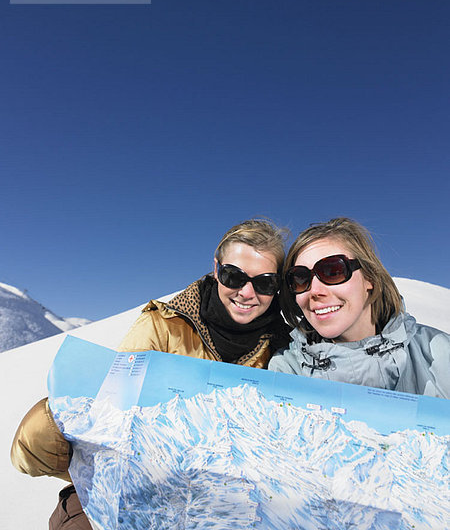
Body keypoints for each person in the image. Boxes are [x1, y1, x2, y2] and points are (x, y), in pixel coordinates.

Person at [11, 218, 292, 529]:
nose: (247, 292)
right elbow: (111, 422)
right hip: (137, 488)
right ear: (216, 269)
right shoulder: (161, 327)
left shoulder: (285, 351)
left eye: (264, 282)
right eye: (233, 276)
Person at [269, 217, 450, 398]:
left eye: (333, 271)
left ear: (369, 278)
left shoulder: (441, 353)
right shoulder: (286, 370)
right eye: (300, 279)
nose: (314, 291)